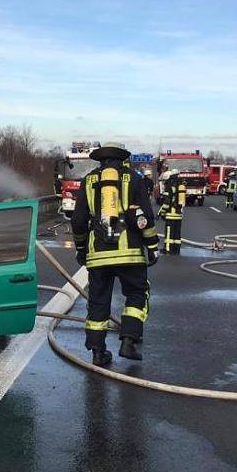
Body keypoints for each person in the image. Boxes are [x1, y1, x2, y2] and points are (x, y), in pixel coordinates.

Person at [71, 142, 159, 367]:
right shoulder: (135, 179)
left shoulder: (88, 181)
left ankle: (98, 352)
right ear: (123, 158)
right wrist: (152, 247)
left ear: (100, 159)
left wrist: (81, 249)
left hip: (98, 254)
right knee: (137, 294)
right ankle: (128, 342)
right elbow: (146, 218)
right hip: (130, 253)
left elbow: (78, 221)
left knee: (98, 301)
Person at [159, 170, 185, 254]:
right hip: (179, 214)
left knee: (169, 233)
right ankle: (176, 249)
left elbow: (166, 203)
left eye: (164, 180)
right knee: (177, 233)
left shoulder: (169, 187)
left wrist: (162, 213)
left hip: (171, 214)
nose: (163, 182)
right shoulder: (180, 184)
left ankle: (168, 249)